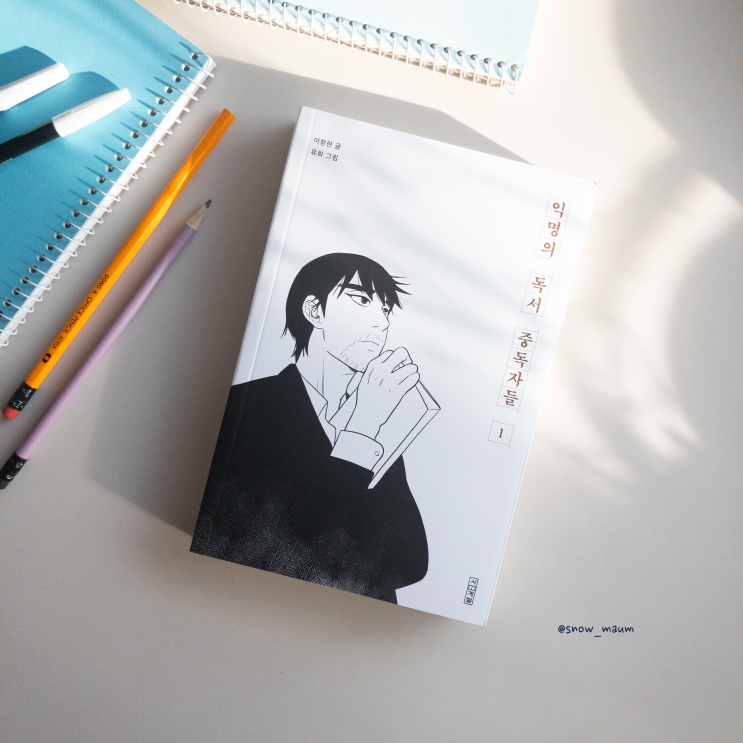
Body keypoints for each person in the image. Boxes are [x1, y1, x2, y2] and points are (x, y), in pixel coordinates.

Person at [191, 253, 429, 603]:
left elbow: (410, 562)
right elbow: (287, 551)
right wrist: (361, 429)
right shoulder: (248, 407)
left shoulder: (377, 418)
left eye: (385, 310)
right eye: (362, 301)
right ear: (315, 311)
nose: (382, 323)